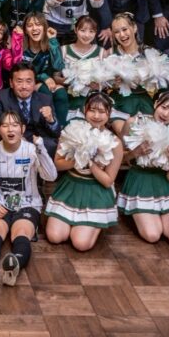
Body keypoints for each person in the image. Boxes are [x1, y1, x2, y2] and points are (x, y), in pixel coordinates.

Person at [0, 110, 58, 285]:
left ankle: (14, 264)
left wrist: (41, 149)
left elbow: (51, 176)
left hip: (27, 204)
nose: (10, 129)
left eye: (15, 125)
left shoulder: (32, 150)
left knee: (21, 233)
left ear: (22, 129)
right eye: (5, 125)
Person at [45, 92, 125, 251]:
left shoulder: (115, 143)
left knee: (81, 244)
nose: (96, 116)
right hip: (71, 187)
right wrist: (77, 159)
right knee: (55, 237)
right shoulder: (71, 131)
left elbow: (108, 181)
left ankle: (96, 223)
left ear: (109, 114)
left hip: (95, 192)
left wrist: (90, 163)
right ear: (84, 110)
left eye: (102, 112)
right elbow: (57, 164)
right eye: (92, 110)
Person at [118, 91, 169, 244]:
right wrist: (134, 153)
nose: (166, 114)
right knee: (153, 235)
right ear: (156, 103)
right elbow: (119, 159)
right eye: (164, 107)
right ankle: (136, 211)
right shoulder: (134, 122)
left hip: (166, 183)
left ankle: (156, 215)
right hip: (140, 182)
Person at [0, 63, 60, 156]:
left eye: (29, 81)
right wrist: (18, 139)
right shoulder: (1, 97)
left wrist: (51, 120)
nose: (24, 86)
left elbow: (56, 133)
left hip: (37, 141)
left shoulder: (45, 99)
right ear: (11, 83)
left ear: (34, 83)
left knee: (53, 144)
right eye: (19, 81)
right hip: (11, 140)